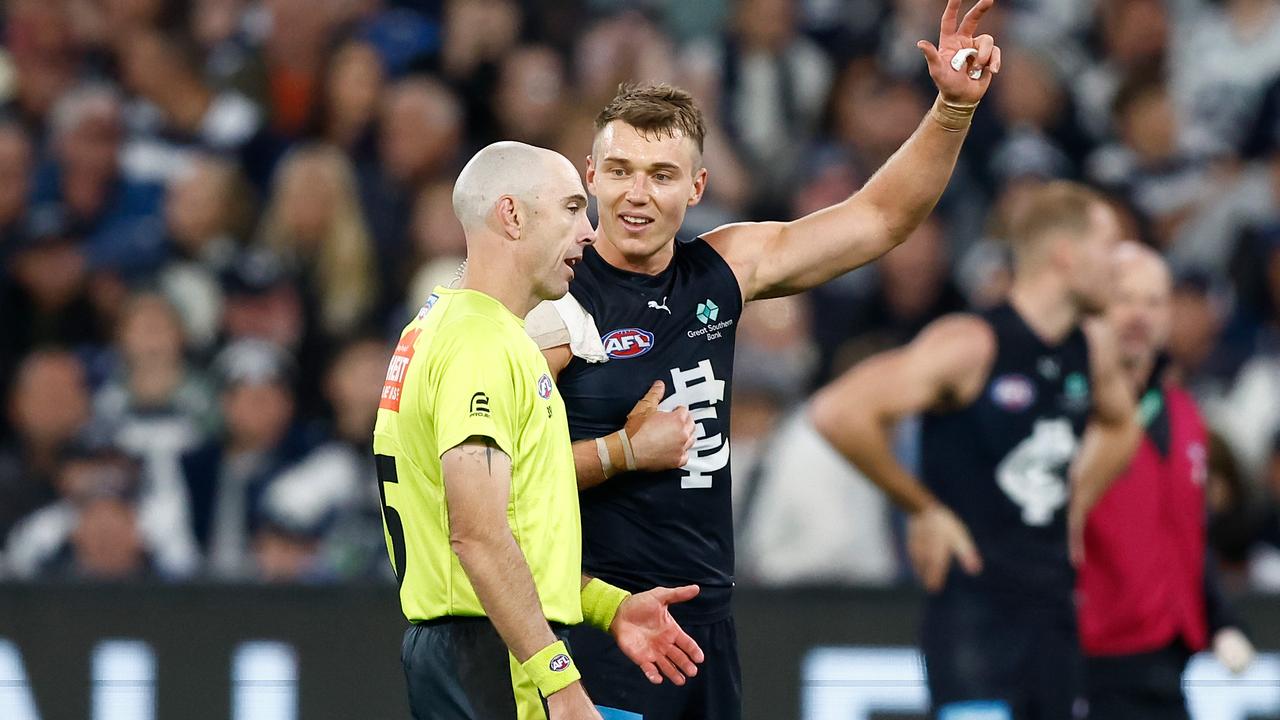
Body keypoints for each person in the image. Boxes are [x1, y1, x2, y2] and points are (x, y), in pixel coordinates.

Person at [527, 1, 1003, 716]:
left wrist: (950, 112)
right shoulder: (550, 299)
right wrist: (623, 452)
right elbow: (497, 486)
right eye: (620, 170)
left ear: (697, 188)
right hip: (599, 627)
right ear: (589, 175)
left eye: (661, 175)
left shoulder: (724, 268)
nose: (636, 194)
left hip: (708, 627)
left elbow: (879, 218)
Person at [373, 141, 705, 720]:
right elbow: (476, 535)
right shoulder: (482, 347)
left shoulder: (443, 328)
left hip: (477, 648)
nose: (588, 230)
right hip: (496, 659)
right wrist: (560, 682)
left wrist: (606, 606)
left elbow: (516, 533)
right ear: (512, 215)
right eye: (573, 208)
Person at [811, 181, 1141, 719]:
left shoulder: (1091, 348)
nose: (1118, 268)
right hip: (975, 615)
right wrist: (923, 507)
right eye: (1108, 248)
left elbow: (1122, 425)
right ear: (1064, 253)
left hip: (1054, 616)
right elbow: (838, 413)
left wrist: (1076, 503)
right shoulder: (973, 343)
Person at [1077, 242, 1255, 720]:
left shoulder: (1185, 413)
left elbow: (1187, 532)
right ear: (1095, 306)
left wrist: (1221, 622)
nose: (1139, 315)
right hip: (1091, 659)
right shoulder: (1071, 407)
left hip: (1168, 659)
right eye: (1124, 298)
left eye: (1153, 302)